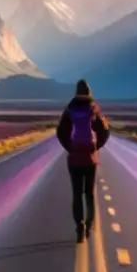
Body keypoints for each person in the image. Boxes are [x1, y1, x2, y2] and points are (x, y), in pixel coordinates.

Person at [56, 79, 110, 243]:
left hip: (74, 159)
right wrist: (96, 147)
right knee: (89, 194)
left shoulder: (70, 108)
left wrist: (70, 148)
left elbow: (60, 131)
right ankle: (89, 225)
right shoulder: (93, 108)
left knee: (77, 194)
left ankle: (79, 229)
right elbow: (105, 130)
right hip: (89, 158)